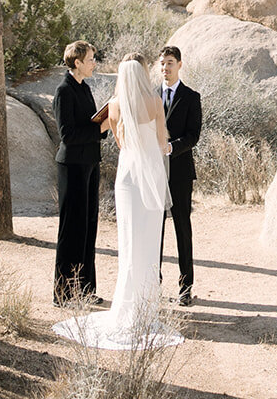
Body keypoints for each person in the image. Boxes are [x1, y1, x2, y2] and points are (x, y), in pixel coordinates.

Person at [54, 55, 182, 350]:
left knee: (128, 239)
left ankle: (126, 304)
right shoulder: (155, 103)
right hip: (150, 174)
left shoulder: (114, 106)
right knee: (149, 239)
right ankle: (147, 305)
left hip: (127, 176)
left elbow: (121, 142)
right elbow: (163, 141)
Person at [53, 38, 105, 305]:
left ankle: (85, 289)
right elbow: (68, 134)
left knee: (88, 227)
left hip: (89, 163)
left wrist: (101, 124)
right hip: (72, 165)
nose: (94, 64)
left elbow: (88, 122)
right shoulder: (64, 91)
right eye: (90, 60)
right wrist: (100, 129)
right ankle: (63, 294)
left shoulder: (84, 88)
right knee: (71, 229)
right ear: (77, 63)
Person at [158, 44, 202, 306]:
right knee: (155, 229)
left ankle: (186, 287)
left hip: (181, 172)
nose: (166, 68)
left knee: (182, 228)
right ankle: (155, 283)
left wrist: (171, 147)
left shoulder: (191, 96)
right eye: (162, 63)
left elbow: (193, 135)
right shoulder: (151, 95)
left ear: (180, 64)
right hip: (154, 172)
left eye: (170, 63)